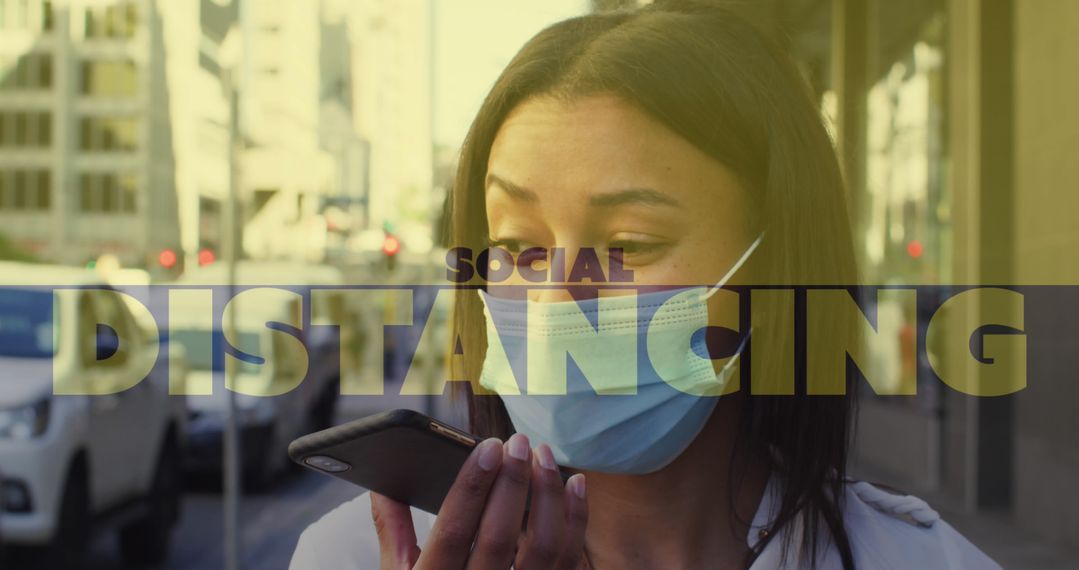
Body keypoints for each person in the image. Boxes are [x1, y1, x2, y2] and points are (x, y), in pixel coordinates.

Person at [292, 1, 999, 568]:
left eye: (628, 245)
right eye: (516, 247)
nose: (556, 298)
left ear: (774, 267)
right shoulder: (367, 556)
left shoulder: (921, 558)